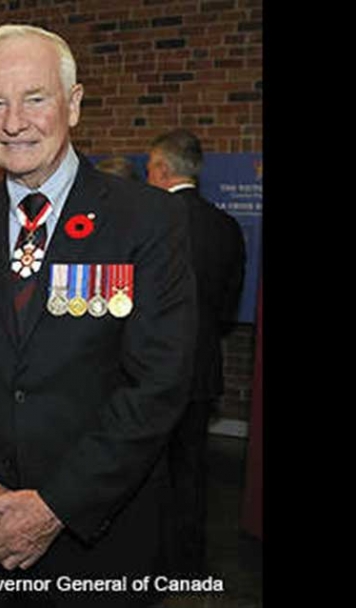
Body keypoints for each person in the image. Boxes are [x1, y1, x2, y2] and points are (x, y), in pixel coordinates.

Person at [0, 24, 197, 607]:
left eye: (35, 98)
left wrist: (55, 506)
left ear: (75, 104)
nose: (15, 122)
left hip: (98, 549)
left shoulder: (146, 222)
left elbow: (158, 384)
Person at [147, 128, 246, 577]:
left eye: (149, 170)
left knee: (146, 470)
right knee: (192, 468)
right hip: (202, 368)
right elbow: (228, 309)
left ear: (164, 170)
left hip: (149, 367)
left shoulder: (149, 221)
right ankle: (188, 562)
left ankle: (150, 561)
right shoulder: (226, 227)